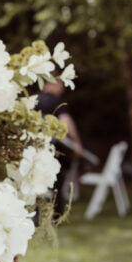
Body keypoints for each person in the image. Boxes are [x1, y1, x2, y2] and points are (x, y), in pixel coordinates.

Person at [37, 78, 83, 213]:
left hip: (33, 147)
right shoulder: (57, 102)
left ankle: (36, 214)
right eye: (61, 85)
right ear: (51, 83)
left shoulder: (34, 99)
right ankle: (55, 214)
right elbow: (66, 121)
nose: (62, 88)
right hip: (52, 148)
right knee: (56, 179)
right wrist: (77, 143)